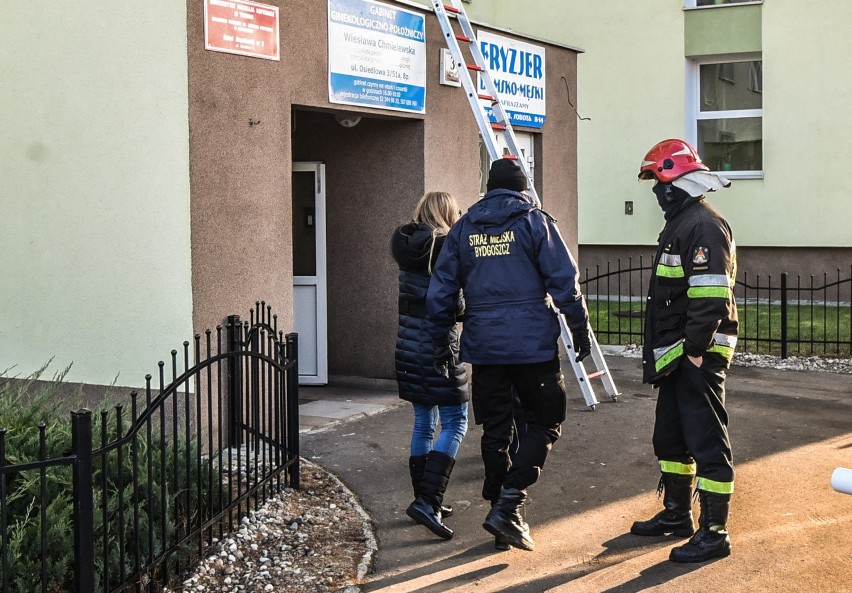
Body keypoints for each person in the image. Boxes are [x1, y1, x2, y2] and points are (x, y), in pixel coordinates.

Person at [426, 158, 591, 552]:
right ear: (521, 188)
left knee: (497, 429)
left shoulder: (464, 228)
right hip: (532, 345)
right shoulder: (535, 222)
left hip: (485, 346)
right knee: (547, 420)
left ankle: (500, 516)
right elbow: (564, 281)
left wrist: (438, 340)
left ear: (489, 187)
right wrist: (579, 326)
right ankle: (510, 503)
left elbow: (441, 290)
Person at [630, 138, 738, 563]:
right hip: (677, 357)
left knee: (707, 442)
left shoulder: (704, 226)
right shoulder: (684, 221)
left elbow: (710, 296)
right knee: (671, 439)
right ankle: (678, 514)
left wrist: (695, 350)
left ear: (675, 182)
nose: (656, 192)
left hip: (698, 356)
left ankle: (715, 532)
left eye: (658, 182)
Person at [390, 191, 469, 541]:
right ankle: (429, 501)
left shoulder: (407, 247)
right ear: (447, 215)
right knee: (456, 422)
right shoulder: (446, 249)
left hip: (408, 347)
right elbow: (457, 305)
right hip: (439, 348)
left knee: (424, 422)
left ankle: (423, 498)